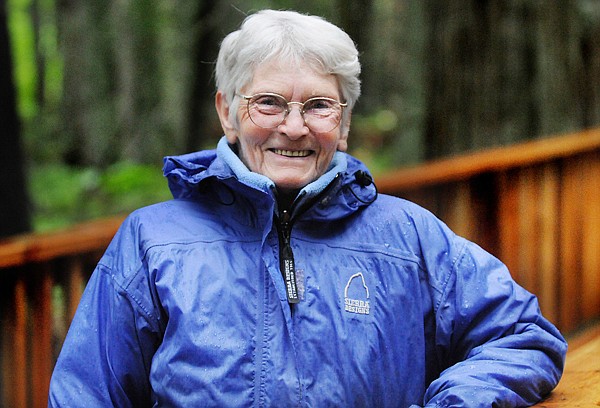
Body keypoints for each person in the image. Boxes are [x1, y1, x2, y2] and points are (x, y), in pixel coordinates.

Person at [48, 9, 566, 407]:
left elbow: (525, 336)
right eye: (269, 102)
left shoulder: (409, 236)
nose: (293, 128)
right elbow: (85, 393)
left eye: (319, 105)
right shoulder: (151, 241)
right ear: (228, 111)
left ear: (342, 125)